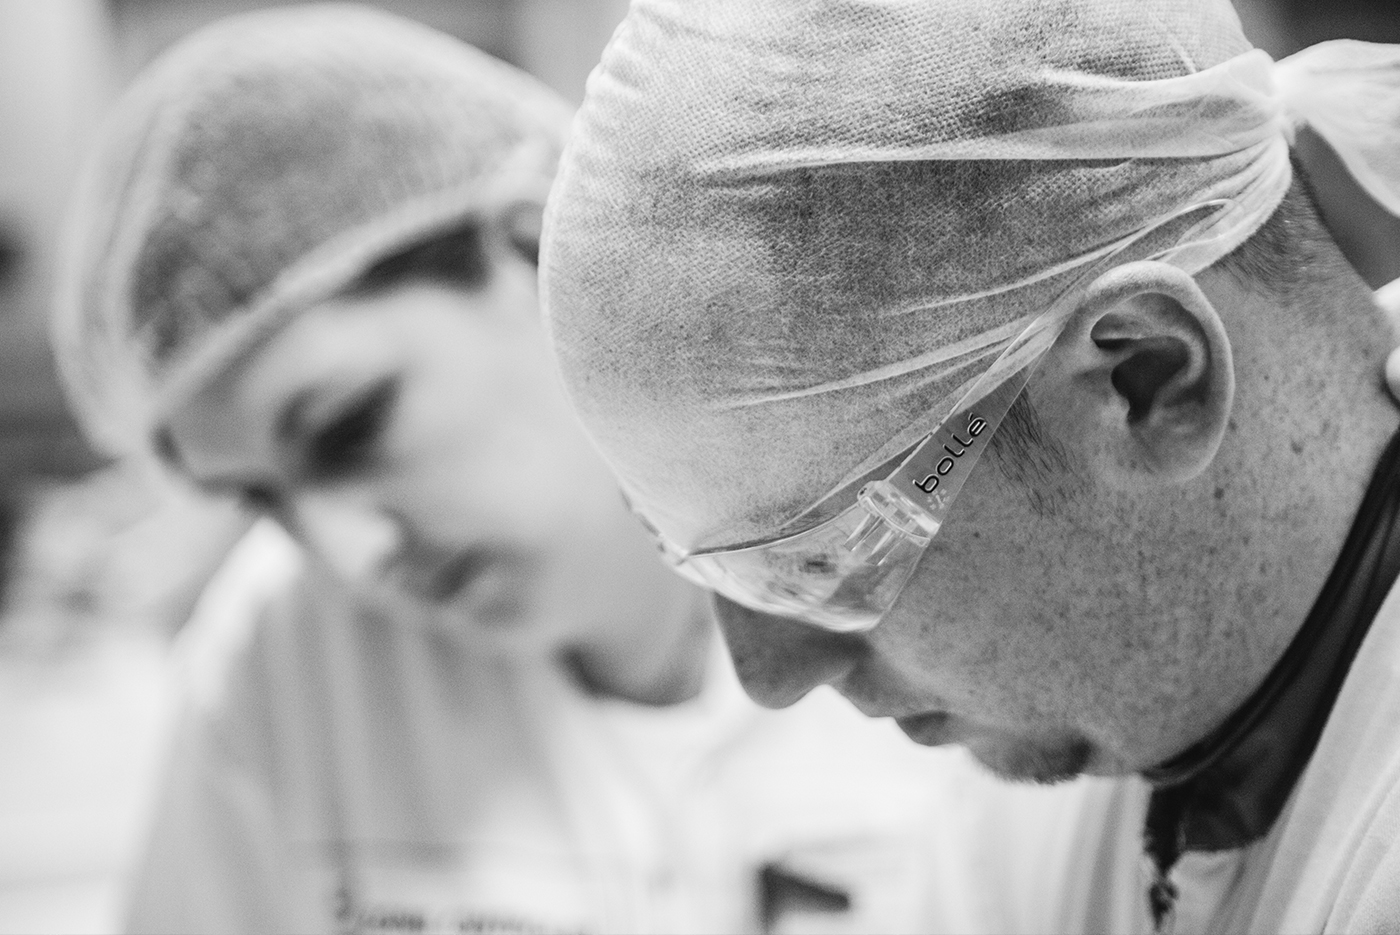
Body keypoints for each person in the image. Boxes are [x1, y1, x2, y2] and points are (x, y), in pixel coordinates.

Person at [52, 6, 989, 934]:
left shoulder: (944, 541)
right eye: (260, 498)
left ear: (533, 244)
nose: (351, 554)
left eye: (350, 428)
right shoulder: (288, 660)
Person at [540, 0, 1400, 931]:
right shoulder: (1057, 768)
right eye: (694, 561)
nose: (768, 676)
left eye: (818, 565)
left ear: (1147, 381)